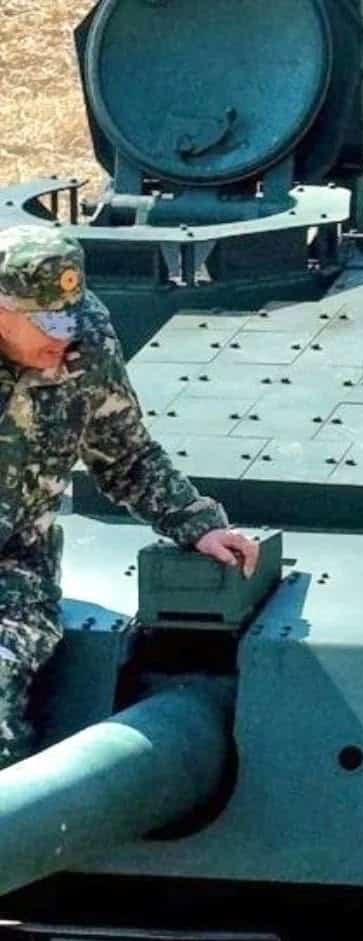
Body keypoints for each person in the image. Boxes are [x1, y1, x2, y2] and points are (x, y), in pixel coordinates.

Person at [0, 220, 258, 767]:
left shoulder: (86, 342)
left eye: (69, 318)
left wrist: (196, 523)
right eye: (45, 324)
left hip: (12, 571)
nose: (62, 338)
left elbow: (125, 453)